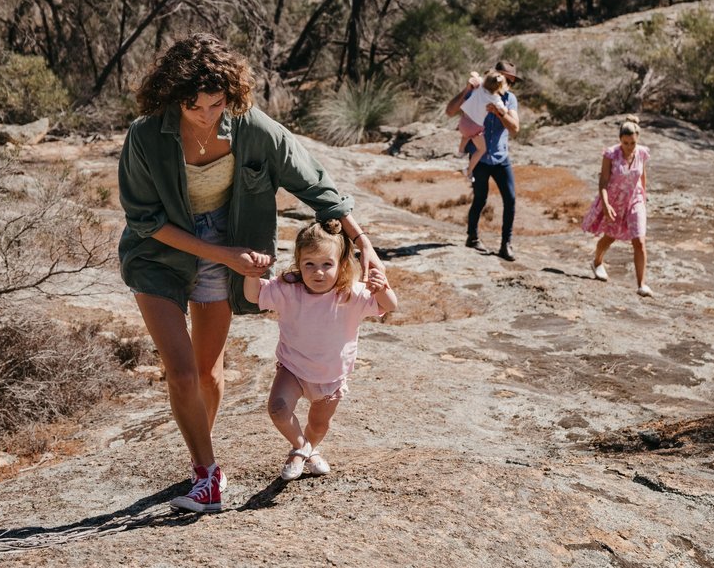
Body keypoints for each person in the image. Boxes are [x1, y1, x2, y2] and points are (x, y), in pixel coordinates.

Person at [117, 33, 384, 514]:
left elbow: (315, 183)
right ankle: (207, 474)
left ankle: (202, 451)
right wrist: (223, 256)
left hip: (229, 241)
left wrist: (363, 243)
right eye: (193, 105)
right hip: (159, 252)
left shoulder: (250, 126)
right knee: (179, 371)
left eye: (216, 103)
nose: (205, 115)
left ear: (231, 93)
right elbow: (145, 220)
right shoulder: (144, 135)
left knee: (206, 371)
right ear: (172, 94)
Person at [245, 218, 398, 481]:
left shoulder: (351, 293)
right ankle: (302, 448)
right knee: (278, 410)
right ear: (298, 263)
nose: (318, 272)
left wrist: (382, 287)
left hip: (331, 376)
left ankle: (307, 450)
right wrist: (251, 275)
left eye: (327, 264)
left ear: (341, 265)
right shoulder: (288, 290)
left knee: (319, 425)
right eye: (309, 265)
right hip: (292, 369)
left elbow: (389, 305)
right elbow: (253, 296)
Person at [445, 59, 521, 261]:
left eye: (512, 82)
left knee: (510, 199)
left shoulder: (509, 100)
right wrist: (466, 89)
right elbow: (450, 111)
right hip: (480, 158)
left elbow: (515, 128)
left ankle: (506, 244)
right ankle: (472, 236)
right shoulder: (477, 92)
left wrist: (499, 112)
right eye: (507, 79)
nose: (508, 85)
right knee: (480, 198)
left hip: (500, 157)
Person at [580, 115, 652, 297]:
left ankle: (641, 284)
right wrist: (605, 204)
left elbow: (642, 176)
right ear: (620, 139)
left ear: (638, 140)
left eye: (632, 143)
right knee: (610, 237)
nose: (629, 147)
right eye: (626, 143)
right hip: (614, 200)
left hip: (635, 199)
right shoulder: (611, 154)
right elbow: (603, 181)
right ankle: (597, 262)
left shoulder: (642, 153)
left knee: (639, 240)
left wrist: (644, 198)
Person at [454, 71, 505, 179]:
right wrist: (503, 109)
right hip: (474, 127)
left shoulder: (480, 86)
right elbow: (503, 110)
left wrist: (475, 74)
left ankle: (461, 151)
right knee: (481, 150)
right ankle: (468, 171)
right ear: (499, 87)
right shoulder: (495, 98)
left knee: (466, 135)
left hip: (463, 121)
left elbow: (476, 78)